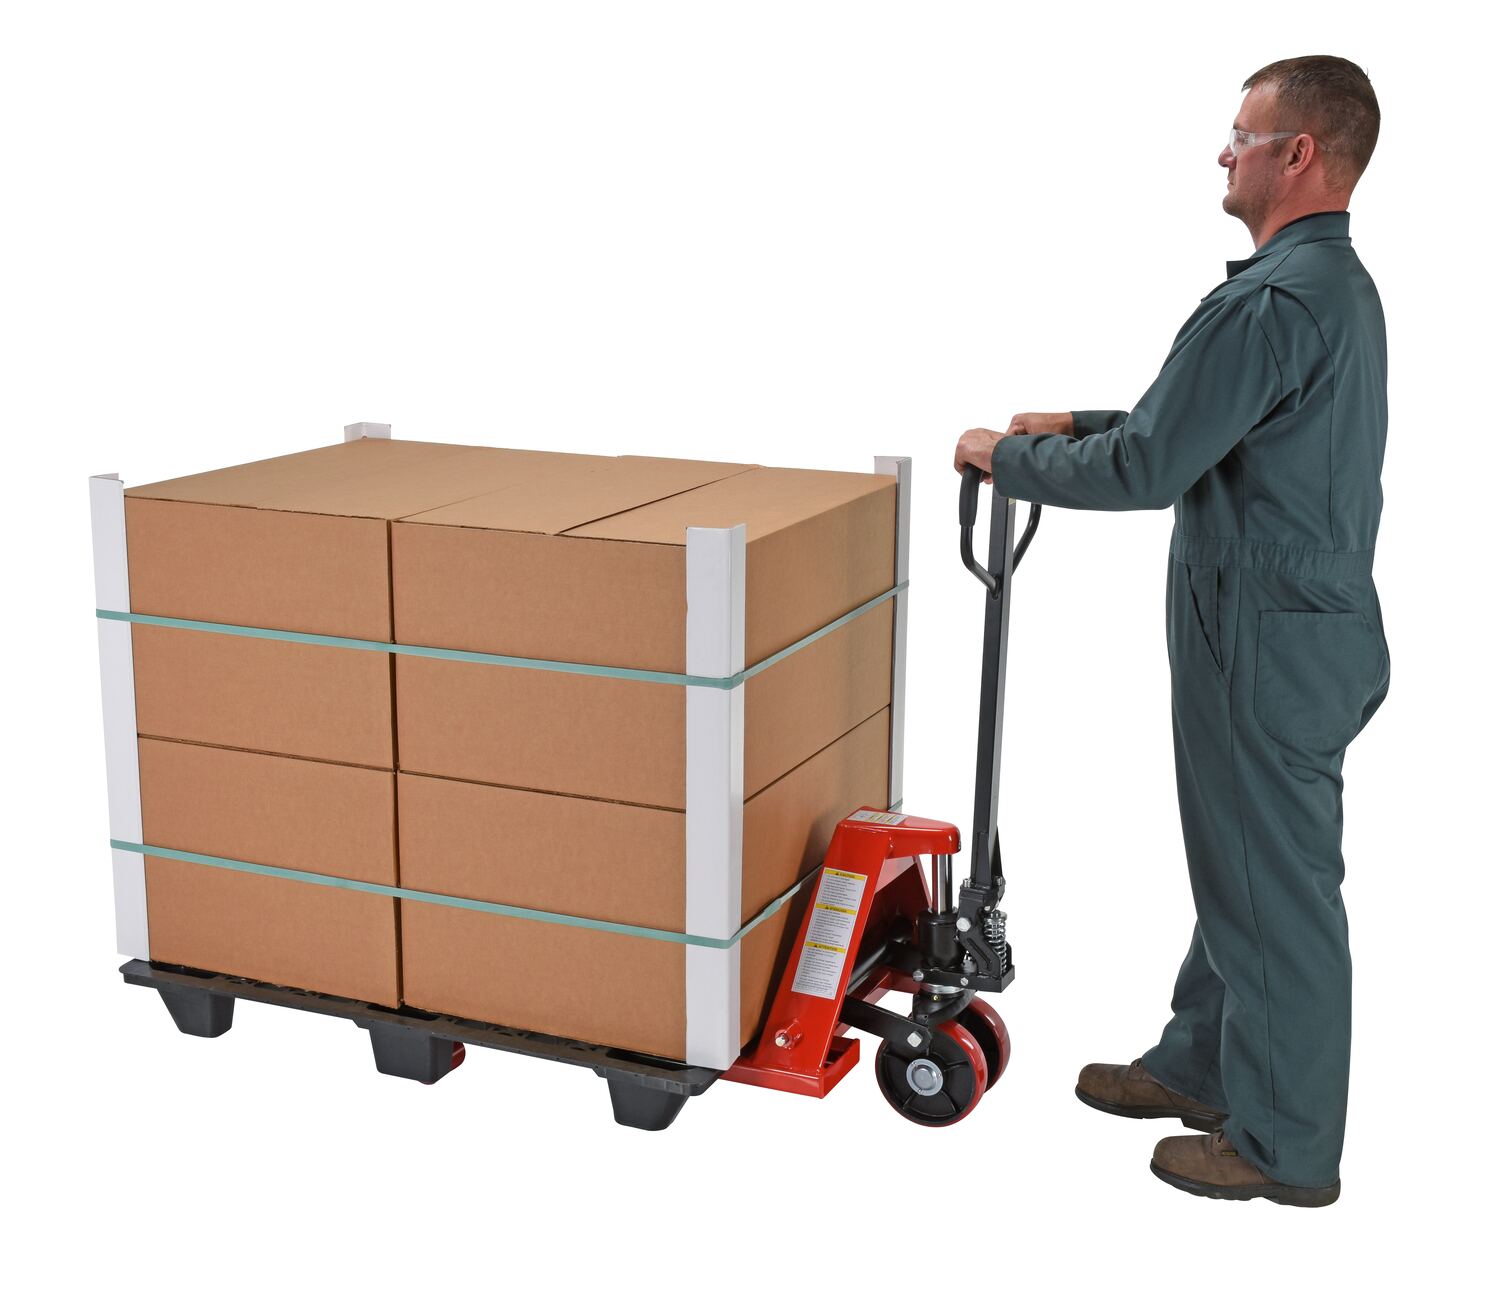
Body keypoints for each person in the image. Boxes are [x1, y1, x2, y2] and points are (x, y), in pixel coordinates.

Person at [953, 55, 1388, 1208]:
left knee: (1275, 887)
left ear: (1300, 154)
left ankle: (1285, 1145)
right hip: (1300, 626)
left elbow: (1149, 467)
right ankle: (1205, 1061)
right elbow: (1208, 426)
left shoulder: (1274, 300)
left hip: (1264, 635)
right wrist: (1077, 421)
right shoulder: (1327, 286)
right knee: (1245, 861)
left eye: (1243, 134)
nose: (1224, 151)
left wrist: (1011, 457)